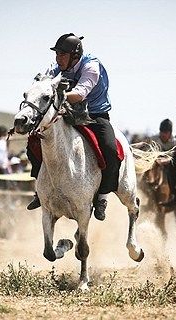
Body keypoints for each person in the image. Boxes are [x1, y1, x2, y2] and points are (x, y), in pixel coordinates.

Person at [26, 33, 120, 221]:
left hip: (95, 117)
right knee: (33, 142)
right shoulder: (55, 68)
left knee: (110, 150)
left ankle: (102, 197)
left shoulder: (91, 67)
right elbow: (43, 84)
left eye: (62, 54)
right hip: (68, 115)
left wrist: (53, 96)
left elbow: (79, 94)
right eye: (57, 54)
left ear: (74, 56)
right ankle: (40, 190)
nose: (57, 58)